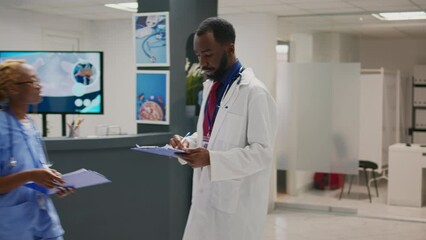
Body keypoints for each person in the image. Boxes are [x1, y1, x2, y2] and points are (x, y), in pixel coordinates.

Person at [169, 17, 277, 240]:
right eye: (198, 56)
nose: (202, 62)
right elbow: (210, 135)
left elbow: (262, 153)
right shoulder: (212, 87)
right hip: (206, 198)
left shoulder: (254, 92)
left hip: (236, 209)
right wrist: (188, 144)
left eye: (208, 54)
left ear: (230, 48)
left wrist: (212, 159)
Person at [0, 60, 74, 239]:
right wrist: (31, 175)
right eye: (32, 81)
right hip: (13, 227)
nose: (39, 86)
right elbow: (27, 174)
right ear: (13, 89)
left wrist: (51, 181)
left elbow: (33, 169)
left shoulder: (29, 125)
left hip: (45, 223)